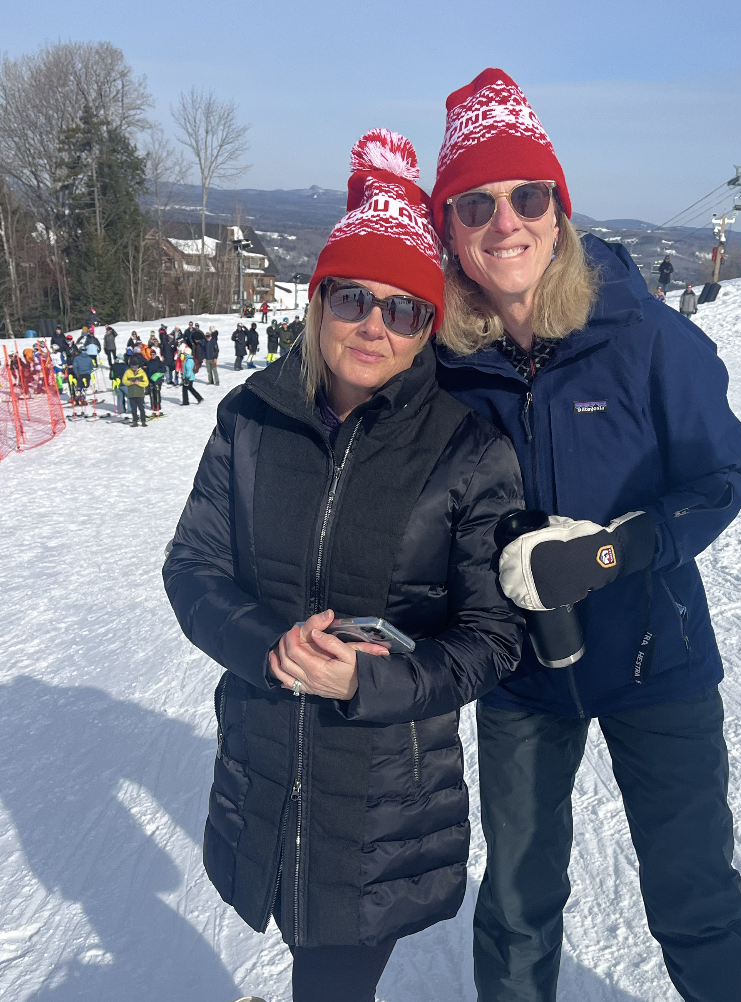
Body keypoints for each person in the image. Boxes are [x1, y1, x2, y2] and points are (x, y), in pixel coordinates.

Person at [432, 69, 741, 1002]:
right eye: (476, 203)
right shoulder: (446, 369)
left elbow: (725, 477)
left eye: (528, 195)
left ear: (559, 212)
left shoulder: (645, 337)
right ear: (451, 232)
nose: (506, 221)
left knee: (696, 903)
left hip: (655, 666)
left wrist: (609, 553)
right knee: (515, 907)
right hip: (519, 680)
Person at [162, 129, 524, 1002]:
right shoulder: (250, 419)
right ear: (318, 302)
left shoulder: (467, 451)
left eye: (401, 309)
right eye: (353, 298)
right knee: (302, 953)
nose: (373, 324)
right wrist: (268, 647)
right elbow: (193, 567)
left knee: (333, 979)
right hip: (265, 766)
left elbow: (492, 635)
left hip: (383, 796)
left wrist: (367, 684)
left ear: (426, 328)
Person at [122, 354, 149, 427]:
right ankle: (135, 422)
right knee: (133, 409)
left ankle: (143, 421)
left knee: (141, 409)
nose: (134, 368)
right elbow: (124, 381)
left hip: (140, 394)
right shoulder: (127, 372)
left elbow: (146, 383)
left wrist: (139, 383)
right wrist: (129, 383)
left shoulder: (141, 372)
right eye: (132, 367)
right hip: (131, 394)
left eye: (135, 367)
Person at [147, 349, 167, 417]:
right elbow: (148, 371)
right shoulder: (149, 362)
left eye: (153, 354)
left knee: (157, 392)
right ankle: (153, 405)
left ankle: (158, 405)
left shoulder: (159, 361)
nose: (152, 356)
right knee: (151, 393)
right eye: (151, 354)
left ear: (155, 355)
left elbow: (164, 369)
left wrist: (158, 370)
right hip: (151, 380)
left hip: (157, 380)